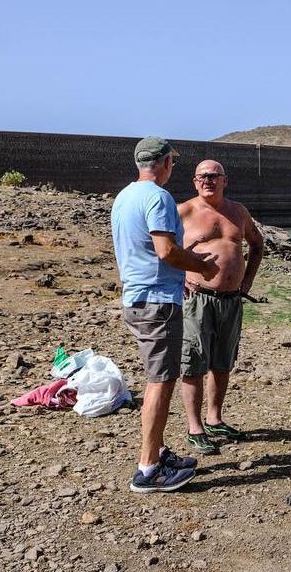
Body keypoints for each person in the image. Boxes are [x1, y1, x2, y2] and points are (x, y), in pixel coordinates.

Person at [112, 136, 220, 493]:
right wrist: (199, 267)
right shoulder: (158, 197)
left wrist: (178, 273)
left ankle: (157, 453)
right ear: (164, 164)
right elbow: (166, 251)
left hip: (139, 297)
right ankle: (148, 471)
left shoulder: (124, 196)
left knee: (158, 376)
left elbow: (144, 250)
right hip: (157, 304)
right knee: (161, 381)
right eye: (172, 161)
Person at [177, 160, 265, 455]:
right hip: (197, 299)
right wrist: (178, 278)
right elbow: (161, 249)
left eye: (214, 176)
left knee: (222, 362)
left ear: (225, 180)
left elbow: (257, 244)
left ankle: (214, 419)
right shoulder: (184, 211)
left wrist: (248, 280)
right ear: (194, 181)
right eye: (202, 177)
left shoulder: (238, 212)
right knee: (193, 362)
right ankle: (195, 427)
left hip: (231, 300)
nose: (208, 181)